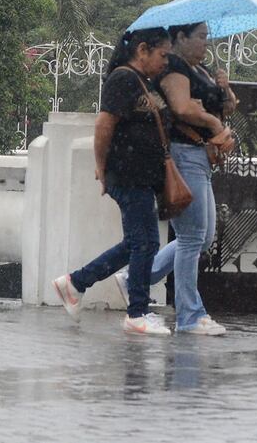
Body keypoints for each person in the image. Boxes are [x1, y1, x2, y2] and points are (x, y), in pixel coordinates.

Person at [115, 21, 237, 334]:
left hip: (201, 157)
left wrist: (224, 89)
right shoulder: (175, 69)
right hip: (184, 155)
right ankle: (190, 315)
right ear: (180, 38)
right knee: (192, 236)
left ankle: (135, 278)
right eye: (200, 37)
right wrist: (213, 124)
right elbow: (182, 108)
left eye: (207, 38)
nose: (205, 44)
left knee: (202, 236)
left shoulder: (203, 70)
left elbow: (229, 107)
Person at [52, 26, 174, 336]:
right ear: (142, 50)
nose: (165, 62)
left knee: (136, 242)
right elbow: (104, 125)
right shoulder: (123, 79)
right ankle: (137, 312)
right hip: (127, 173)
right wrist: (101, 167)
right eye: (162, 55)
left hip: (141, 175)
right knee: (146, 242)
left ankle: (76, 283)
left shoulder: (143, 82)